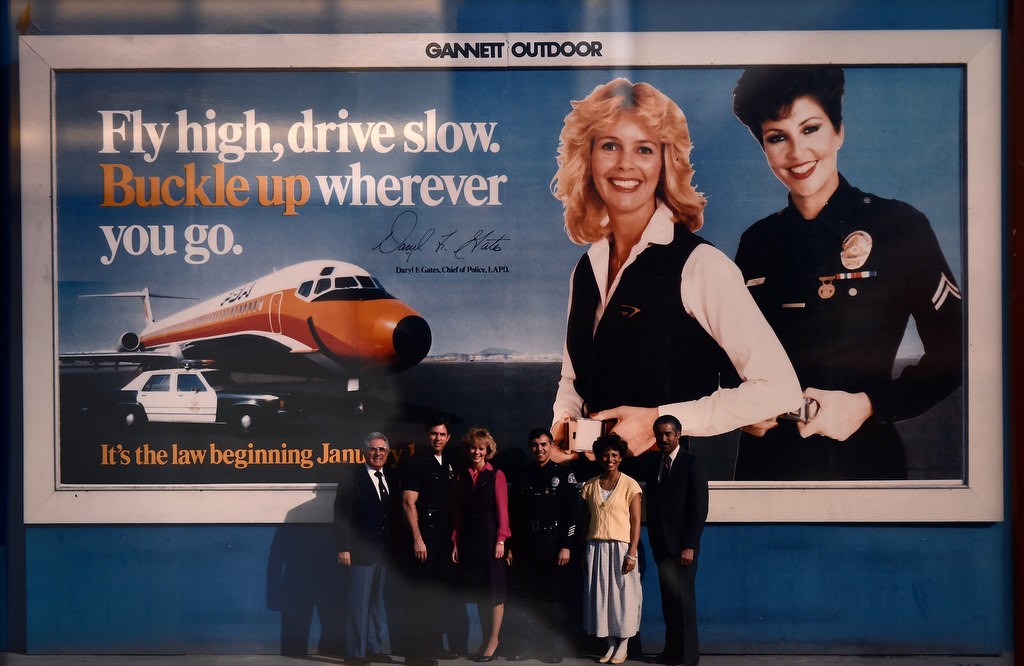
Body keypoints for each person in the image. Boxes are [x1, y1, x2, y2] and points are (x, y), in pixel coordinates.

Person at [548, 77, 802, 458]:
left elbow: (778, 389)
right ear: (587, 157)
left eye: (645, 149)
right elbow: (573, 379)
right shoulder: (587, 268)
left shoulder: (701, 265)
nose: (625, 164)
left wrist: (659, 421)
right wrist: (562, 421)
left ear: (666, 163)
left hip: (671, 489)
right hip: (596, 490)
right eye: (610, 146)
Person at [731, 66, 963, 480]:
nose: (796, 152)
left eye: (810, 128)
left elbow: (958, 348)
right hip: (764, 471)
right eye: (777, 137)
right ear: (764, 148)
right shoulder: (757, 242)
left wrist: (871, 404)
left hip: (865, 463)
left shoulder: (899, 226)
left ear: (839, 130)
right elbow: (728, 356)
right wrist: (737, 407)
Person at [396, 417, 468, 666]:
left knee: (437, 595)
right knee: (421, 597)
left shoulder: (448, 464)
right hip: (424, 536)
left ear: (449, 438)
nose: (438, 438)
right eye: (434, 433)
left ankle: (434, 646)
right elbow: (408, 502)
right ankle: (414, 655)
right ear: (427, 435)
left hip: (443, 538)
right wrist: (418, 539)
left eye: (442, 434)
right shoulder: (415, 462)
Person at [505, 427, 580, 663]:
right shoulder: (523, 475)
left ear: (551, 446)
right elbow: (513, 515)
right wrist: (510, 546)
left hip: (553, 544)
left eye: (544, 444)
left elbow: (573, 516)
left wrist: (566, 545)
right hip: (526, 544)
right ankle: (526, 646)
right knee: (527, 598)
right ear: (531, 447)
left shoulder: (564, 474)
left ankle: (552, 648)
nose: (540, 449)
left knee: (553, 598)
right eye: (535, 445)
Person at [643, 416, 708, 666]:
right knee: (669, 602)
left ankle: (688, 655)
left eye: (668, 434)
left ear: (678, 435)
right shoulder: (655, 464)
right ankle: (671, 651)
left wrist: (689, 545)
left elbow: (699, 508)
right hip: (662, 547)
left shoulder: (692, 463)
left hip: (683, 548)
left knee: (684, 603)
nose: (664, 439)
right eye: (659, 435)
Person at [333, 432, 398, 665]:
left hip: (384, 552)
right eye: (373, 449)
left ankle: (373, 649)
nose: (378, 453)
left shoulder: (390, 476)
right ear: (365, 452)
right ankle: (354, 654)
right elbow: (341, 515)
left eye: (382, 449)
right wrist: (344, 548)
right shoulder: (352, 477)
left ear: (387, 453)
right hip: (360, 552)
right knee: (358, 603)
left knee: (375, 602)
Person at [580, 434, 643, 664]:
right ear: (598, 457)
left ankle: (623, 645)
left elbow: (636, 522)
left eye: (614, 455)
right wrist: (583, 551)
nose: (609, 459)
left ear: (620, 458)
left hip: (621, 549)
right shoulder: (589, 486)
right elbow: (585, 521)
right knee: (601, 598)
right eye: (605, 455)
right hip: (595, 548)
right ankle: (609, 645)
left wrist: (632, 553)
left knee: (623, 597)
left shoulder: (630, 485)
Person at [451, 427, 511, 662]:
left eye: (481, 448)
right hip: (468, 537)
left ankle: (493, 641)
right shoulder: (461, 475)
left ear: (488, 451)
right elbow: (457, 512)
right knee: (476, 591)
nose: (476, 452)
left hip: (489, 535)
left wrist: (501, 539)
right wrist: (455, 541)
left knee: (494, 591)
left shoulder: (496, 475)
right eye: (473, 448)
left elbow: (502, 511)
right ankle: (482, 639)